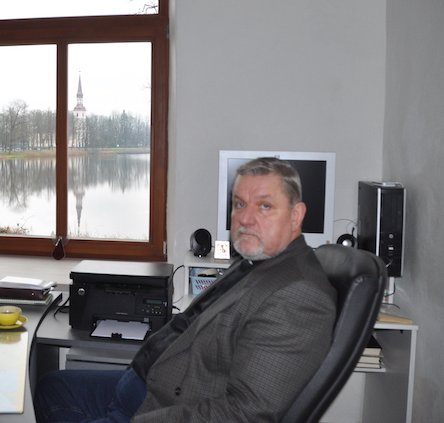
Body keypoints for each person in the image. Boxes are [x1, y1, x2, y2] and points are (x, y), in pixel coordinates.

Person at [35, 157, 337, 423]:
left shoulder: (298, 295)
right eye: (239, 204)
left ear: (296, 215)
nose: (245, 218)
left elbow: (245, 414)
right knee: (52, 387)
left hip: (163, 409)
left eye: (265, 206)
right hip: (148, 385)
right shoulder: (257, 261)